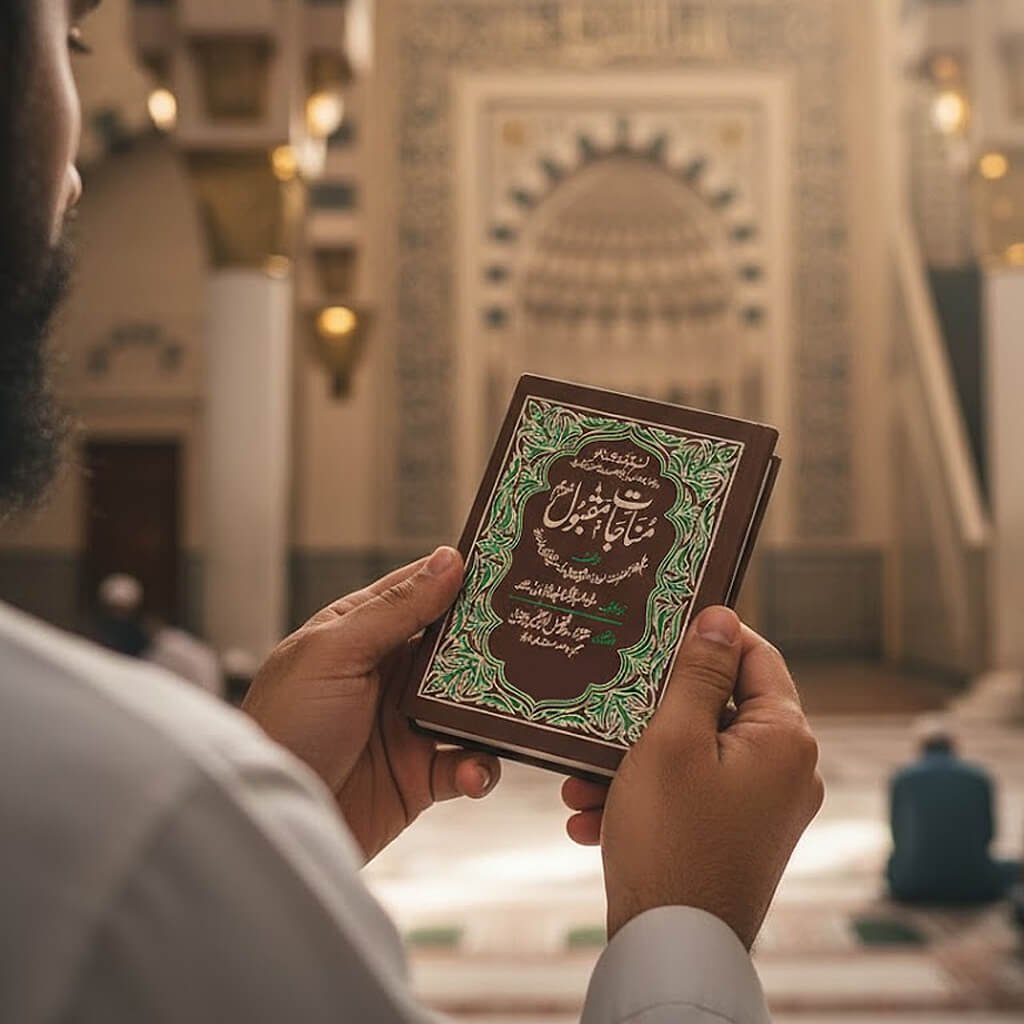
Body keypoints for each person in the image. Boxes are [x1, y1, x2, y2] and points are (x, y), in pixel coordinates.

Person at [0, 3, 824, 1021]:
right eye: (71, 44)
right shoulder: (128, 827)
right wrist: (688, 925)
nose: (76, 171)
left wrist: (271, 817)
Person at [887, 717, 1021, 905]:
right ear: (954, 744)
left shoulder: (903, 779)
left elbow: (898, 834)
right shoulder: (979, 777)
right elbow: (988, 833)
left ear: (920, 746)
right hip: (975, 884)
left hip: (911, 886)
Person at [94, 573, 225, 697]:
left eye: (123, 611)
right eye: (114, 611)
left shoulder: (174, 650)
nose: (119, 618)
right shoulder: (146, 649)